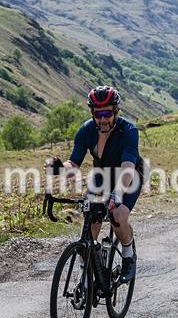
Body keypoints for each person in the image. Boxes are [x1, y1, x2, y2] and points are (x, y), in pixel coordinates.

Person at [46, 86, 143, 283]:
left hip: (130, 175)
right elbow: (73, 165)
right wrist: (58, 168)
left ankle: (128, 254)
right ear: (93, 113)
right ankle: (85, 277)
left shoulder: (129, 131)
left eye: (107, 113)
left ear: (116, 111)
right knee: (90, 224)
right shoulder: (86, 131)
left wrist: (117, 194)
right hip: (101, 176)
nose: (103, 119)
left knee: (118, 216)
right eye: (98, 114)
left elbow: (127, 167)